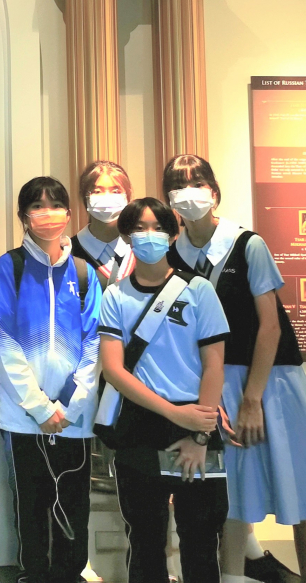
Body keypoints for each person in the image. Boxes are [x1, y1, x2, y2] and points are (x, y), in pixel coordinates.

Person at [163, 155, 306, 583]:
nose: (189, 192)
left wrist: (252, 399)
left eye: (197, 182)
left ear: (214, 191)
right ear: (169, 198)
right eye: (178, 185)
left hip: (272, 382)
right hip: (216, 384)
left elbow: (270, 326)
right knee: (233, 497)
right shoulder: (173, 255)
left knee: (303, 493)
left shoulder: (248, 244)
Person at [98, 197, 229, 583]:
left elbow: (214, 365)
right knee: (145, 540)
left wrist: (199, 436)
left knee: (201, 539)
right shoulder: (115, 296)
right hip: (140, 425)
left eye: (157, 227)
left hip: (198, 422)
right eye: (139, 228)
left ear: (173, 235)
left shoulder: (199, 289)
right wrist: (175, 414)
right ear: (126, 236)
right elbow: (113, 370)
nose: (148, 235)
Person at [0, 177, 102, 583]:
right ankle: (33, 573)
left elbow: (95, 344)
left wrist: (69, 405)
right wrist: (40, 407)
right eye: (37, 206)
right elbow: (1, 341)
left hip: (73, 416)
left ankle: (70, 574)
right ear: (23, 216)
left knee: (74, 502)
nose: (47, 214)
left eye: (55, 205)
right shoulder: (11, 267)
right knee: (30, 502)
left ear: (69, 214)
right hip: (24, 415)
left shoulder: (85, 273)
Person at [72, 160, 136, 286]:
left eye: (116, 191)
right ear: (85, 197)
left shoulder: (141, 247)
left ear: (127, 196)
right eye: (97, 191)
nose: (107, 197)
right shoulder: (69, 252)